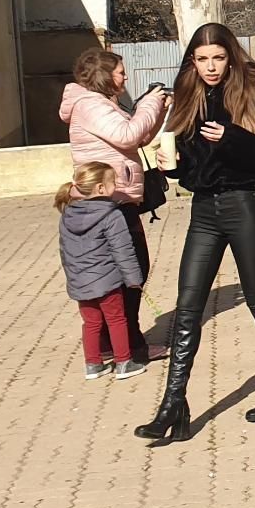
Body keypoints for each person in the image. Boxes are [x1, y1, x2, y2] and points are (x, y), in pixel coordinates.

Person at [135, 24, 255, 444]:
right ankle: (173, 403)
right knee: (187, 306)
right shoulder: (188, 96)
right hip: (203, 211)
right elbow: (191, 169)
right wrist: (174, 167)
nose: (210, 67)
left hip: (243, 206)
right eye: (202, 60)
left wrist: (233, 138)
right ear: (192, 62)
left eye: (217, 58)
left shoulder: (252, 88)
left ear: (230, 56)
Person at [60, 48, 169, 366]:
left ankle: (113, 344)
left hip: (117, 199)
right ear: (104, 75)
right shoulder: (91, 105)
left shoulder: (101, 105)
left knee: (126, 272)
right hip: (109, 203)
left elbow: (139, 137)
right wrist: (149, 102)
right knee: (131, 271)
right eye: (121, 72)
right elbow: (127, 134)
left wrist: (158, 107)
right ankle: (130, 347)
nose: (125, 77)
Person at [57, 161, 148, 381]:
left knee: (91, 323)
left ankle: (93, 364)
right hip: (107, 279)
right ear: (100, 189)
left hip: (81, 281)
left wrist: (74, 278)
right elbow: (123, 250)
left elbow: (64, 251)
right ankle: (124, 362)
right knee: (117, 319)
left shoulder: (67, 214)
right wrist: (134, 279)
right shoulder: (112, 214)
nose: (115, 186)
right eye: (112, 183)